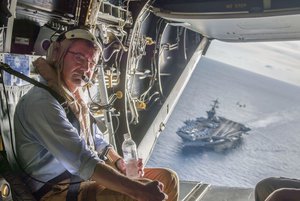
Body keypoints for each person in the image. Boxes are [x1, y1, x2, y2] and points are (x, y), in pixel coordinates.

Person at [13, 28, 179, 201]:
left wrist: (117, 162)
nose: (86, 68)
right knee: (134, 195)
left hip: (82, 182)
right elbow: (82, 160)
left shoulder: (74, 99)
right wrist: (139, 190)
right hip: (57, 191)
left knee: (167, 179)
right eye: (79, 58)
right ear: (56, 53)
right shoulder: (43, 102)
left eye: (92, 63)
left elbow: (95, 139)